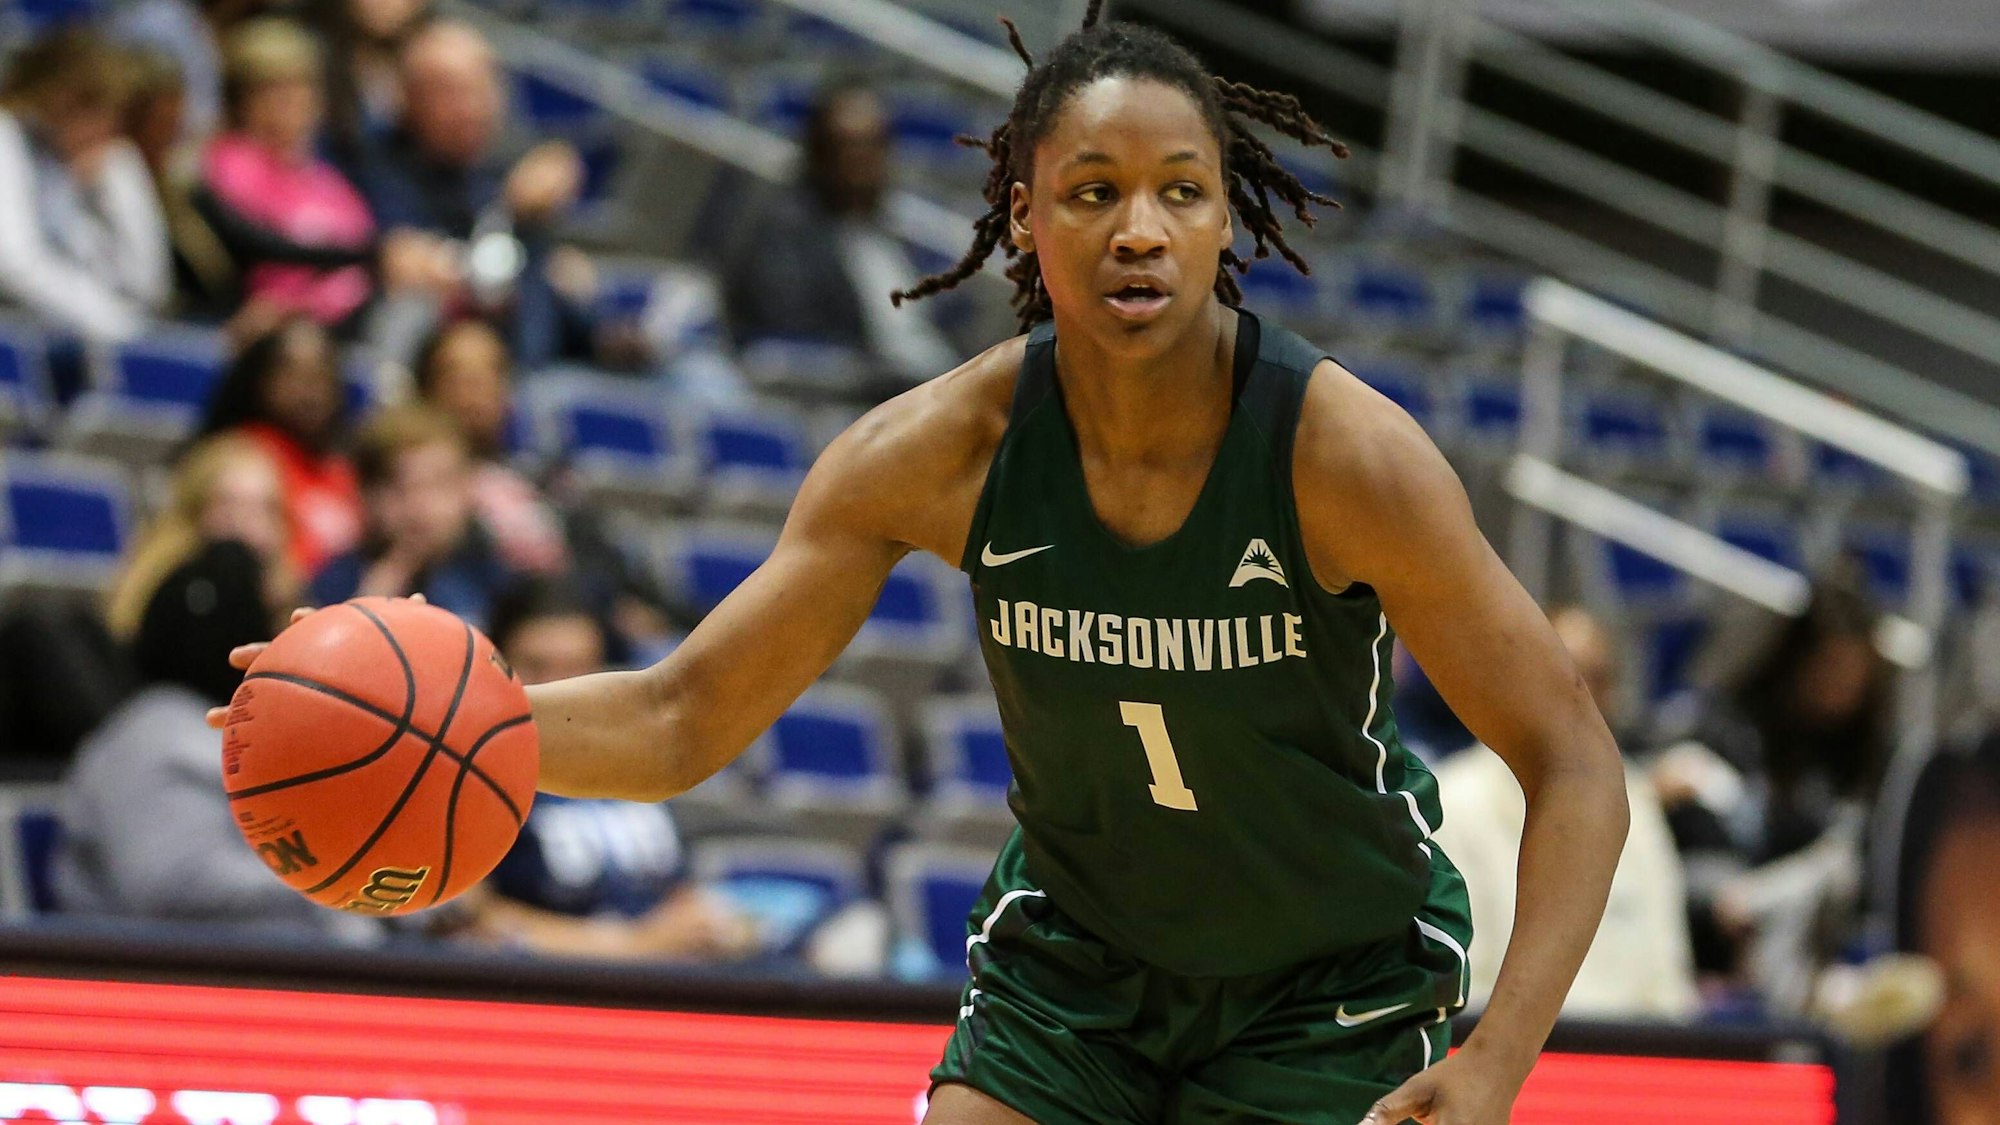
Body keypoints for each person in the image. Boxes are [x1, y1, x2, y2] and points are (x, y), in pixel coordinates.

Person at [224, 8, 1628, 1123]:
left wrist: (1502, 1055)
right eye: (1093, 190)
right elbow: (678, 716)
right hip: (1078, 970)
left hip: (1328, 985)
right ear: (1024, 215)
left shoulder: (1343, 456)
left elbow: (1574, 761)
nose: (1137, 227)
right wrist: (438, 734)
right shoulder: (931, 453)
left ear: (1223, 223)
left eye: (1178, 192)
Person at [57, 538, 369, 939]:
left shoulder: (261, 731)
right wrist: (344, 890)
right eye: (275, 615)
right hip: (159, 983)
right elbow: (173, 881)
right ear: (234, 631)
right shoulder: (155, 734)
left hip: (282, 966)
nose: (291, 633)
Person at [459, 578, 756, 962]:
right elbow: (475, 923)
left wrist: (713, 924)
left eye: (578, 667)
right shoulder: (468, 780)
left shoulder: (634, 767)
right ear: (497, 669)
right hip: (543, 993)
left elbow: (676, 891)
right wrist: (635, 945)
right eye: (537, 666)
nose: (559, 688)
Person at [1433, 605, 1698, 1021]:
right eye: (1567, 674)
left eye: (1597, 679)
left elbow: (1669, 984)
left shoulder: (1638, 805)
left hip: (1629, 1059)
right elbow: (1457, 985)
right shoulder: (1454, 802)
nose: (1582, 696)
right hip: (1504, 1057)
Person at [340, 20, 604, 372]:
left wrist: (550, 260)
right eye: (449, 92)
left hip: (526, 356)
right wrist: (512, 215)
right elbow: (410, 263)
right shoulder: (370, 164)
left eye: (481, 89)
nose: (470, 108)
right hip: (431, 359)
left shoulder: (495, 169)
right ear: (407, 99)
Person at [720, 78, 959, 388]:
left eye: (876, 144)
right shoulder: (783, 234)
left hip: (926, 389)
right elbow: (795, 335)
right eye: (848, 146)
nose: (864, 160)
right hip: (859, 397)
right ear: (819, 154)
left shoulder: (896, 237)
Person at [199, 18, 378, 329]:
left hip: (341, 328)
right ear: (242, 101)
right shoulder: (229, 164)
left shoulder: (333, 185)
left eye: (300, 86)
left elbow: (361, 267)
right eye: (271, 88)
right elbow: (257, 257)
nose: (289, 100)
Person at [0, 28, 172, 344]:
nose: (108, 127)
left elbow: (149, 286)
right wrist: (118, 326)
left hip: (85, 341)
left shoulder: (100, 167)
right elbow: (14, 266)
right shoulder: (6, 137)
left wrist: (120, 183)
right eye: (97, 108)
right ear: (57, 99)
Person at [307, 403, 514, 630]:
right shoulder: (335, 581)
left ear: (467, 488)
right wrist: (367, 605)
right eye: (400, 488)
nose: (421, 505)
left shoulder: (497, 573)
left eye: (439, 484)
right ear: (366, 494)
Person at [197, 316, 363, 576]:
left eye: (321, 372)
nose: (310, 388)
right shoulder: (237, 459)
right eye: (292, 373)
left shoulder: (344, 465)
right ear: (259, 380)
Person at [105, 434, 294, 642]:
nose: (244, 523)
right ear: (194, 513)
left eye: (261, 509)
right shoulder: (165, 591)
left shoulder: (289, 603)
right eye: (228, 506)